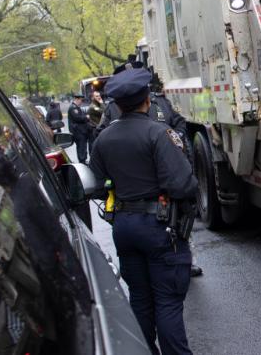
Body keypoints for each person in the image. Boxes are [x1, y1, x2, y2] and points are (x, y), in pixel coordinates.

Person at [90, 67, 197, 355]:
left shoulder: (103, 140)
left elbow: (99, 185)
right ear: (147, 99)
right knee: (168, 301)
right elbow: (183, 185)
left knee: (140, 299)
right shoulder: (160, 134)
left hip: (124, 227)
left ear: (117, 105)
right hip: (158, 226)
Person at [68, 93, 91, 163]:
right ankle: (82, 160)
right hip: (78, 132)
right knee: (81, 146)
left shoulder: (76, 107)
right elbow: (78, 118)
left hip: (80, 131)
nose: (81, 102)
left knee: (82, 146)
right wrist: (86, 117)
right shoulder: (73, 108)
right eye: (81, 100)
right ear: (76, 99)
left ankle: (83, 159)